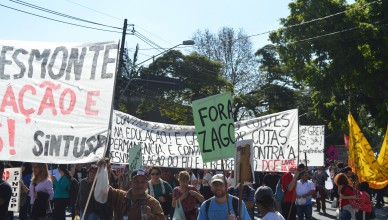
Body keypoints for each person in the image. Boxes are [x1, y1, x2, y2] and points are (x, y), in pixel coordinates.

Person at [95, 160, 164, 220]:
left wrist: (151, 216)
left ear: (147, 185)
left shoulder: (153, 203)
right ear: (130, 183)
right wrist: (102, 169)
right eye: (136, 181)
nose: (139, 184)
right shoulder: (119, 196)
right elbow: (103, 190)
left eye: (143, 182)